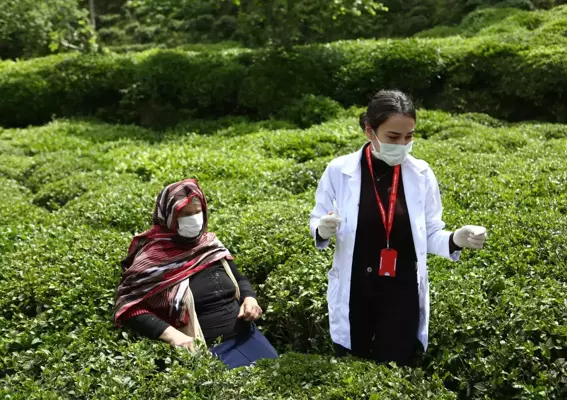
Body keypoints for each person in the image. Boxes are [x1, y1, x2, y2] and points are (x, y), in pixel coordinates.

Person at [309, 90, 487, 366]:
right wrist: (322, 229)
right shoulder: (338, 170)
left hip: (400, 293)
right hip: (356, 288)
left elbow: (428, 233)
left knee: (396, 370)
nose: (402, 144)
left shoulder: (422, 174)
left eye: (409, 136)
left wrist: (455, 239)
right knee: (351, 369)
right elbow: (317, 218)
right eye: (393, 137)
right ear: (370, 131)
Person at [113, 178, 278, 369]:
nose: (193, 218)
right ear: (168, 216)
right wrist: (172, 335)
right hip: (207, 348)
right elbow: (130, 307)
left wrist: (250, 299)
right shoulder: (152, 258)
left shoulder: (209, 245)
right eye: (184, 214)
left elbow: (239, 280)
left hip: (248, 337)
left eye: (197, 212)